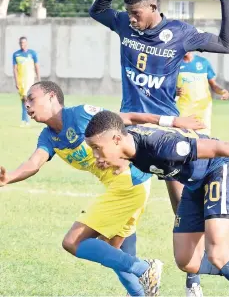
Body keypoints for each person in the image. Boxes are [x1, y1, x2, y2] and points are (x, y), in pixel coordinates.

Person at [89, 0, 229, 294]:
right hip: (129, 133)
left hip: (167, 135)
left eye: (136, 14)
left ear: (154, 7)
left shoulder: (179, 34)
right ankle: (138, 279)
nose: (132, 20)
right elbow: (96, 11)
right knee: (126, 203)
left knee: (181, 204)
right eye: (129, 15)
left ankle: (192, 277)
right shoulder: (124, 25)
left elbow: (225, 43)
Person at [0, 81, 203, 296]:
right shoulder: (48, 136)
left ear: (51, 97)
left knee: (73, 242)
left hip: (128, 182)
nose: (27, 105)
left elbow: (127, 118)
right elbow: (34, 163)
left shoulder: (80, 115)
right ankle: (143, 290)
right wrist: (9, 177)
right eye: (25, 101)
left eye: (32, 98)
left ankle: (146, 268)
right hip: (126, 187)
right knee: (114, 253)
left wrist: (173, 121)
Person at [84, 110, 229, 286]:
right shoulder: (128, 146)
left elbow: (219, 148)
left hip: (216, 170)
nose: (95, 156)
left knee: (216, 254)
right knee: (187, 261)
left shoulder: (162, 147)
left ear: (116, 140)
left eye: (97, 148)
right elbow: (122, 117)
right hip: (193, 185)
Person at [177, 52, 229, 135]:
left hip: (203, 108)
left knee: (203, 137)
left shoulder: (204, 62)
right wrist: (175, 91)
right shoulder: (175, 63)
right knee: (183, 137)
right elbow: (168, 85)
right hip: (184, 108)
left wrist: (222, 91)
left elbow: (213, 85)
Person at [13, 36, 40, 127]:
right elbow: (15, 69)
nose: (22, 44)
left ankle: (25, 120)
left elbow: (37, 66)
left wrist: (39, 78)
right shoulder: (16, 54)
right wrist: (16, 81)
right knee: (23, 101)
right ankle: (25, 119)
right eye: (21, 43)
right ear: (19, 44)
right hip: (21, 82)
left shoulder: (32, 53)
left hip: (30, 81)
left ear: (27, 43)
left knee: (26, 100)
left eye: (24, 43)